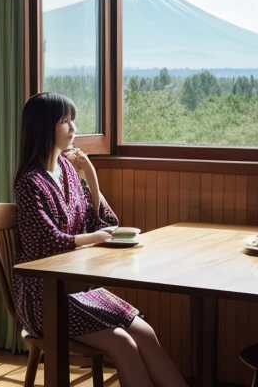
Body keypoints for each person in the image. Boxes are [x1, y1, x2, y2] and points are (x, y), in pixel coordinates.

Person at [13, 92, 188, 387]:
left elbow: (108, 224)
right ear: (44, 127)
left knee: (144, 331)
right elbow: (46, 244)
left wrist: (92, 178)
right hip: (44, 295)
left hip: (80, 286)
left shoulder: (68, 170)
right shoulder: (29, 182)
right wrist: (92, 238)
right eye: (65, 121)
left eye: (73, 120)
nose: (73, 128)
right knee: (123, 344)